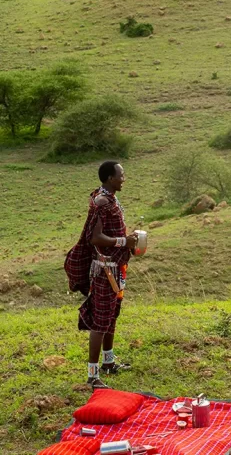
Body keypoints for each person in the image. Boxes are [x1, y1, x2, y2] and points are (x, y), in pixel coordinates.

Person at [65, 161, 138, 390]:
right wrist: (124, 241)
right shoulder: (102, 202)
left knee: (111, 315)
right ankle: (92, 376)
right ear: (109, 178)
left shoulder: (109, 199)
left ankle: (108, 362)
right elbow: (94, 238)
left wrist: (128, 241)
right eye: (121, 175)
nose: (124, 179)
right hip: (105, 270)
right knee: (100, 321)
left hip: (116, 268)